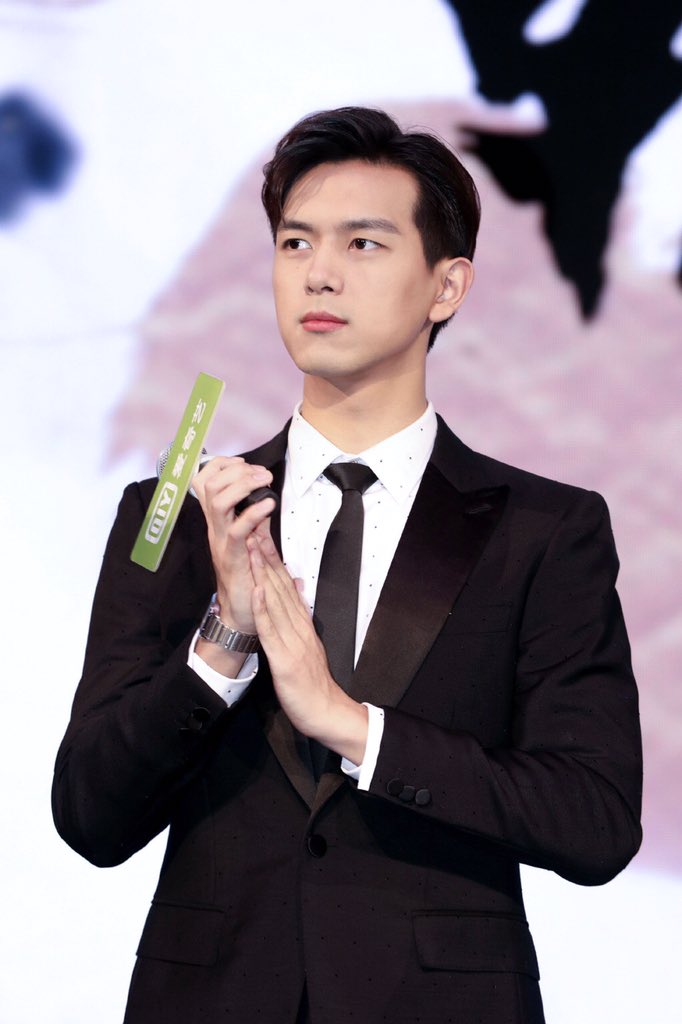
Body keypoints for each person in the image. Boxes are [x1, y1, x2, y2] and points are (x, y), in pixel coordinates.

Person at [52, 107, 642, 1024]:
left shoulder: (546, 530)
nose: (318, 273)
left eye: (363, 243)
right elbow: (91, 814)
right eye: (295, 243)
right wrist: (223, 641)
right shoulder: (176, 513)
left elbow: (594, 820)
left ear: (447, 285)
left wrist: (356, 727)